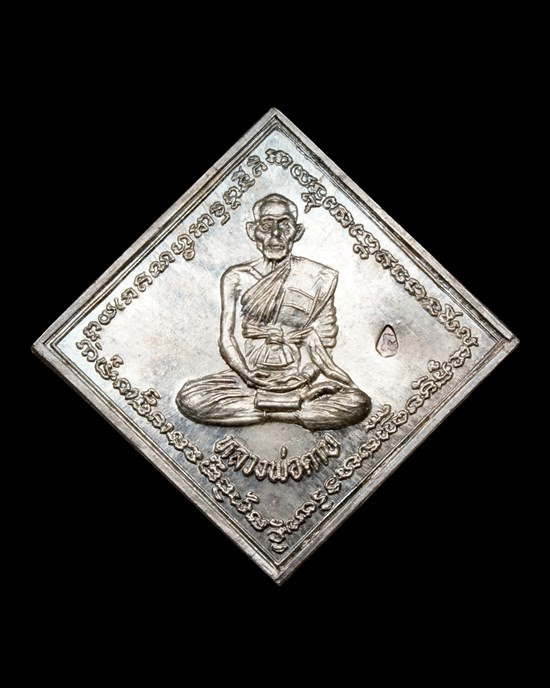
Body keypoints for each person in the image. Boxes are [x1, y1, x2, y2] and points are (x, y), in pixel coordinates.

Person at [176, 194, 371, 430]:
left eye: (284, 225)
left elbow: (325, 340)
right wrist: (246, 374)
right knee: (190, 397)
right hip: (249, 378)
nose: (275, 234)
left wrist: (305, 377)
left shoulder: (320, 277)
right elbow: (226, 338)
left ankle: (272, 407)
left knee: (358, 402)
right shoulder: (236, 277)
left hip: (297, 380)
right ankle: (292, 410)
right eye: (267, 225)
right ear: (252, 231)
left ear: (297, 232)